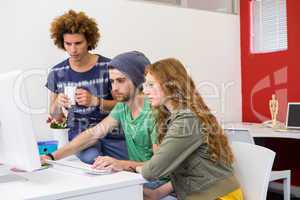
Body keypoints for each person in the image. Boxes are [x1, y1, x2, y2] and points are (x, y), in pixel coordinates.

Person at [43, 51, 172, 200]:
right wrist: (51, 156)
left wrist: (120, 164)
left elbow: (158, 168)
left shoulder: (155, 112)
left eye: (121, 81)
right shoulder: (123, 106)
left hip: (161, 187)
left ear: (138, 80)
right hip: (139, 181)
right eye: (112, 81)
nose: (114, 88)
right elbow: (93, 134)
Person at [139, 58, 243, 200]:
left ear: (171, 85)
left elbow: (152, 170)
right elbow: (187, 169)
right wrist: (157, 193)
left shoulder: (187, 120)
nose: (145, 91)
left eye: (151, 85)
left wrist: (131, 168)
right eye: (145, 85)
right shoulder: (178, 116)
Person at [46, 10, 128, 164]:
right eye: (68, 44)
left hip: (113, 132)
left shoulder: (108, 67)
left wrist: (97, 101)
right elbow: (55, 116)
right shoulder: (57, 72)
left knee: (128, 162)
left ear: (89, 41)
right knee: (93, 159)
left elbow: (125, 107)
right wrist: (58, 104)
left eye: (78, 43)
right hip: (80, 134)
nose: (73, 49)